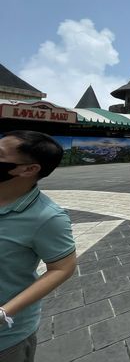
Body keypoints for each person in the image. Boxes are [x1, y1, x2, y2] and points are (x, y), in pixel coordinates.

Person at [0, 131, 76, 361]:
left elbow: (63, 267)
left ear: (28, 169)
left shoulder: (47, 217)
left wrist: (5, 312)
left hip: (6, 340)